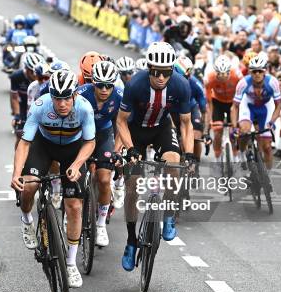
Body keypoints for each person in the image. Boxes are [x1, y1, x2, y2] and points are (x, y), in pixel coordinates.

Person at [11, 70, 96, 288]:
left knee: (75, 206)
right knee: (29, 187)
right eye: (57, 98)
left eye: (66, 97)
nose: (61, 103)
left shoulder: (85, 108)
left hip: (72, 150)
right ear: (51, 96)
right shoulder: (40, 106)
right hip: (44, 146)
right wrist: (16, 174)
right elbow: (25, 142)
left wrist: (77, 165)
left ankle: (70, 264)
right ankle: (27, 221)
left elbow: (90, 142)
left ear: (74, 95)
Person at [115, 42, 193, 272]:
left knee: (173, 164)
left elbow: (186, 123)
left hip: (161, 128)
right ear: (149, 67)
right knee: (132, 186)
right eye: (156, 71)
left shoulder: (181, 85)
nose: (160, 77)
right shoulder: (135, 85)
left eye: (166, 72)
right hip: (135, 130)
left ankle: (168, 213)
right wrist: (130, 149)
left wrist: (189, 154)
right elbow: (120, 121)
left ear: (172, 70)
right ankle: (131, 241)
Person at [76, 61, 123, 247]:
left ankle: (101, 224)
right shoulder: (80, 94)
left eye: (108, 85)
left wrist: (117, 151)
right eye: (100, 85)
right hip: (80, 135)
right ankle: (69, 210)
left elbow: (122, 125)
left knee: (104, 179)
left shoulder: (120, 96)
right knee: (74, 176)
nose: (104, 89)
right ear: (93, 83)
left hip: (104, 134)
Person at [231, 53, 281, 169]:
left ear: (265, 71)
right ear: (250, 72)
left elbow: (279, 104)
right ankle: (242, 154)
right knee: (244, 130)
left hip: (266, 106)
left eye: (260, 71)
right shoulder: (243, 83)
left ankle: (267, 176)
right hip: (248, 105)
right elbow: (234, 107)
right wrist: (235, 126)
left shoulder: (273, 82)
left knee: (267, 147)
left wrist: (272, 121)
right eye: (254, 71)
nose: (257, 74)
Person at [205, 55, 243, 162]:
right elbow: (209, 103)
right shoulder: (210, 78)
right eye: (219, 75)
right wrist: (209, 124)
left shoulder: (237, 75)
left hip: (233, 102)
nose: (222, 77)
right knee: (217, 132)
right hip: (217, 103)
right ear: (215, 72)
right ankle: (217, 158)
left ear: (229, 72)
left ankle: (235, 156)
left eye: (225, 74)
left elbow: (244, 95)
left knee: (235, 132)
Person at [10, 52, 43, 148]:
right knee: (20, 136)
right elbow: (14, 98)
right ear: (26, 69)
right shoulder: (16, 76)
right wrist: (17, 115)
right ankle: (18, 161)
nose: (35, 75)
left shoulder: (43, 77)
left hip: (39, 106)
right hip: (23, 106)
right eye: (32, 71)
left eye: (36, 72)